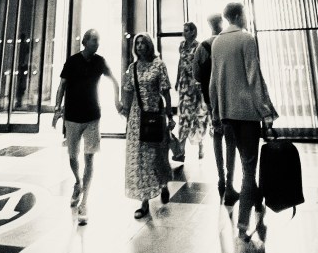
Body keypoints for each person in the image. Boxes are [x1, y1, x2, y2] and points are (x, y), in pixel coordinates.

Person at [209, 1, 278, 253]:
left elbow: (214, 82)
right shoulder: (246, 39)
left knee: (244, 164)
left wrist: (216, 113)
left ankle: (256, 204)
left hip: (226, 115)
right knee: (249, 169)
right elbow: (254, 77)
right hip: (247, 114)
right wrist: (267, 112)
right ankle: (241, 236)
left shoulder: (217, 42)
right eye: (245, 14)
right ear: (238, 15)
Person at [52, 29, 122, 226]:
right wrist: (57, 109)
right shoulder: (72, 61)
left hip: (93, 116)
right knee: (73, 157)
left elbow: (115, 81)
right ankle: (77, 182)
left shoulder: (100, 61)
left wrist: (117, 101)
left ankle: (85, 202)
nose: (96, 43)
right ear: (84, 42)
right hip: (73, 117)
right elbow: (62, 86)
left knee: (89, 157)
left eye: (98, 40)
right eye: (93, 40)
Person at [121, 32, 174, 219]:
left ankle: (163, 183)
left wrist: (169, 114)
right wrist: (125, 112)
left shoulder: (159, 65)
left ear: (149, 45)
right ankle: (144, 201)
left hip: (155, 114)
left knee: (157, 154)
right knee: (140, 158)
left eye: (143, 43)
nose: (140, 46)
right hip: (138, 116)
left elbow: (166, 91)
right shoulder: (133, 67)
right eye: (137, 44)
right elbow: (127, 91)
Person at [193, 13, 239, 204]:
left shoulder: (202, 47)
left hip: (211, 99)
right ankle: (230, 181)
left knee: (217, 136)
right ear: (222, 23)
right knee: (231, 140)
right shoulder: (228, 43)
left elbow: (196, 74)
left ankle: (220, 177)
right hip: (229, 97)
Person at [173, 21, 210, 163]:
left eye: (187, 30)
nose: (184, 33)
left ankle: (201, 144)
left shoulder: (199, 46)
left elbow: (201, 66)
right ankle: (181, 149)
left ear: (193, 32)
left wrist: (199, 82)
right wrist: (177, 79)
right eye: (184, 30)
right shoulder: (182, 45)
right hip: (184, 84)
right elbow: (180, 63)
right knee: (183, 115)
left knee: (197, 116)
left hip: (194, 85)